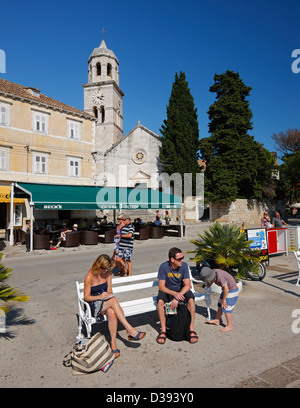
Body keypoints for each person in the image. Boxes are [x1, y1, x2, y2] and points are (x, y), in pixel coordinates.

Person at [84, 254, 146, 358]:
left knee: (112, 313)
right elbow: (86, 297)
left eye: (109, 268)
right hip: (93, 304)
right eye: (105, 268)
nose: (107, 270)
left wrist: (108, 294)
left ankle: (113, 344)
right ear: (98, 266)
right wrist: (100, 296)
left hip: (105, 301)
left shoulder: (108, 273)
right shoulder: (90, 276)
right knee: (113, 301)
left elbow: (109, 289)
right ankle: (130, 329)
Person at [156, 247, 198, 344]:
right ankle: (163, 330)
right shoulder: (163, 267)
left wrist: (178, 295)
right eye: (179, 259)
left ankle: (191, 328)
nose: (182, 260)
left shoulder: (184, 266)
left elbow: (188, 285)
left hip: (180, 290)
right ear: (172, 259)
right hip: (167, 290)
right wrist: (175, 294)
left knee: (191, 300)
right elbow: (161, 287)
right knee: (160, 302)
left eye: (182, 258)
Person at [199, 266, 239, 332]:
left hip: (232, 290)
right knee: (220, 305)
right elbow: (212, 280)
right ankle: (217, 320)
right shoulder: (213, 273)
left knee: (226, 307)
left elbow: (226, 289)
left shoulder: (220, 277)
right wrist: (209, 284)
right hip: (226, 291)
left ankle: (229, 325)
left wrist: (224, 300)